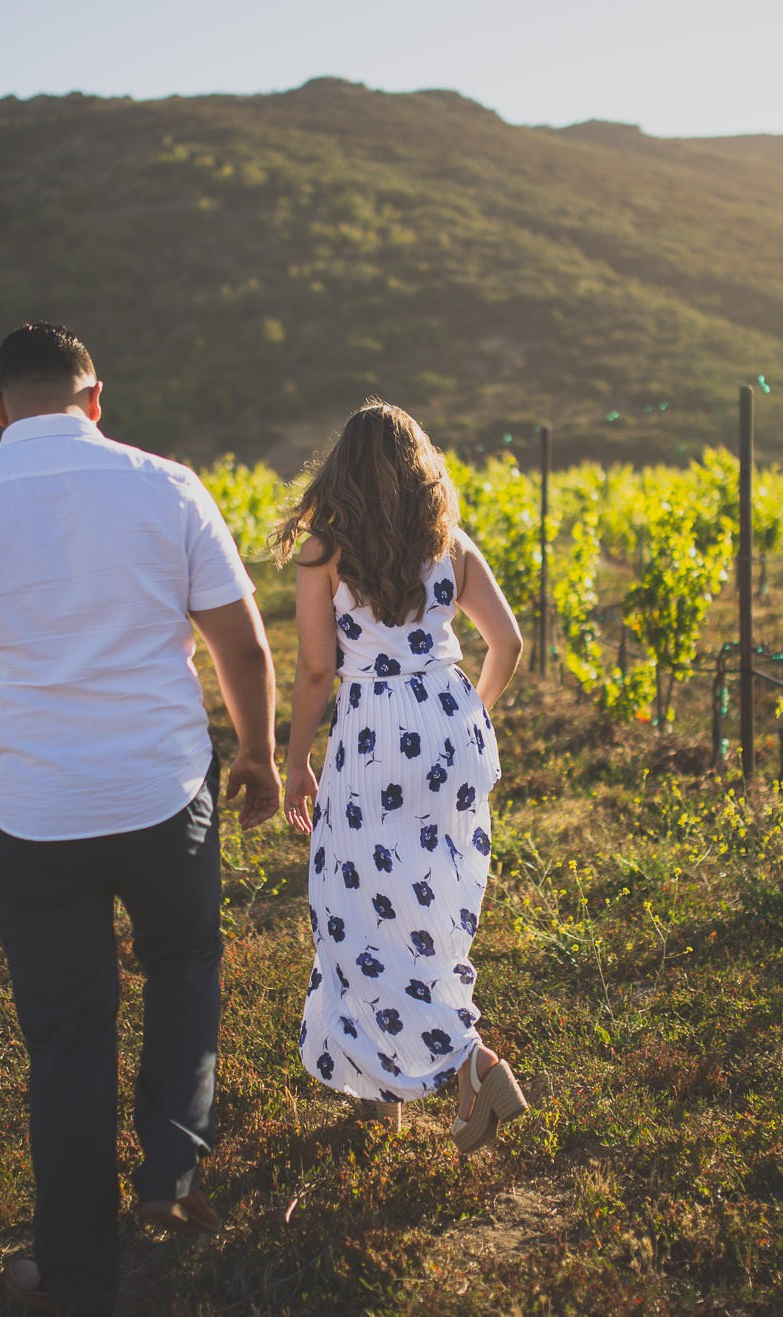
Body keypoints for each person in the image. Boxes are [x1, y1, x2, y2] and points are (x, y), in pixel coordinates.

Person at [0, 323, 280, 1317]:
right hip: (161, 793)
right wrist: (259, 755)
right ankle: (172, 1170)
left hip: (30, 815)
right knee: (184, 965)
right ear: (96, 400)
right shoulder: (169, 486)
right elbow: (242, 645)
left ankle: (76, 1273)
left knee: (66, 1036)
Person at [274, 401, 528, 1151]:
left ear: (340, 471)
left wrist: (295, 760)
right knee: (430, 910)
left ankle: (469, 1061)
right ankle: (387, 1082)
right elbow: (506, 641)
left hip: (375, 736)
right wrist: (465, 716)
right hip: (448, 724)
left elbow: (318, 668)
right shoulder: (450, 547)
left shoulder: (325, 553)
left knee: (351, 907)